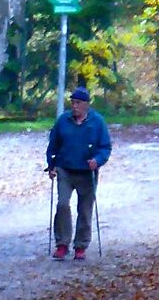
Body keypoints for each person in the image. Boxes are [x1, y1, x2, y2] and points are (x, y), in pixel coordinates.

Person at [45, 83, 111, 261]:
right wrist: (51, 165)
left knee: (85, 209)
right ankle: (62, 244)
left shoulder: (97, 122)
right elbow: (53, 145)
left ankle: (80, 246)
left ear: (86, 104)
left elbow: (105, 147)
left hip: (87, 172)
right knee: (62, 204)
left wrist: (97, 161)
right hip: (65, 170)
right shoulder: (63, 121)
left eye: (78, 103)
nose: (74, 106)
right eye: (72, 102)